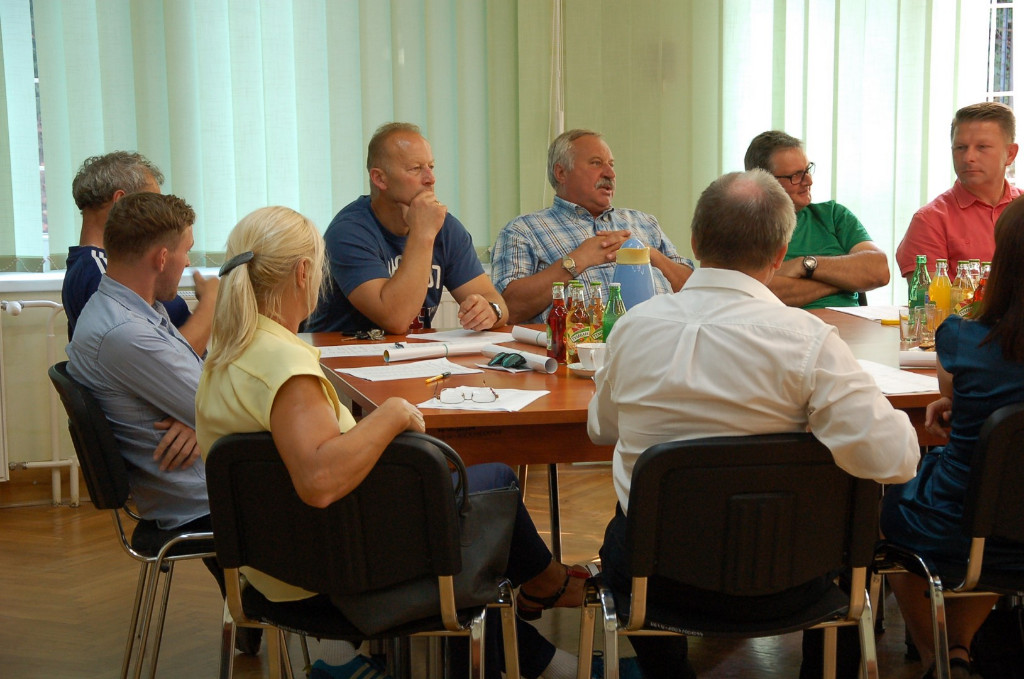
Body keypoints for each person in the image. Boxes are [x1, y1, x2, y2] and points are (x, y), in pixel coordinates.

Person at [196, 206, 593, 679]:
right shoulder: (284, 367)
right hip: (331, 571)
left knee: (462, 514)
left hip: (273, 565)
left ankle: (544, 642)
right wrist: (392, 415)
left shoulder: (228, 355)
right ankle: (553, 636)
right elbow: (320, 479)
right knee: (489, 495)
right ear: (303, 273)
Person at [587, 169, 920, 679]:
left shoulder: (633, 328)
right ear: (780, 252)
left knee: (628, 520)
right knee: (851, 525)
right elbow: (894, 460)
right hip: (792, 576)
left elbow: (602, 430)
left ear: (695, 240)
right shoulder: (810, 341)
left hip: (659, 582)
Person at [64, 191, 261, 655]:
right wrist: (204, 414)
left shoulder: (130, 307)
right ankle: (352, 622)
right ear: (161, 257)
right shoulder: (125, 333)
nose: (189, 262)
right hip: (201, 495)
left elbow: (204, 394)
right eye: (187, 250)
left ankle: (254, 604)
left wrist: (197, 420)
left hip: (197, 476)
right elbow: (224, 406)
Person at [881, 196, 1024, 678]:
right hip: (1009, 521)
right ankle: (958, 649)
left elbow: (959, 389)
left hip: (963, 523)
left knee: (890, 503)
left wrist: (960, 404)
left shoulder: (963, 338)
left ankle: (940, 657)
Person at [304, 123, 507, 335]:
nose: (430, 179)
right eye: (416, 169)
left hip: (410, 351)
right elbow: (396, 320)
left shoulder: (446, 227)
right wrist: (422, 233)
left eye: (431, 167)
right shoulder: (348, 232)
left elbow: (495, 301)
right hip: (340, 351)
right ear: (379, 178)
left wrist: (491, 311)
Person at [491, 129, 694, 324]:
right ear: (561, 173)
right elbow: (508, 308)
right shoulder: (523, 230)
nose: (610, 173)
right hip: (581, 345)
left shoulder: (644, 223)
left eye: (611, 165)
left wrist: (648, 255)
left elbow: (697, 291)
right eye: (596, 163)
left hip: (663, 339)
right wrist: (577, 260)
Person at [63, 151, 217, 352]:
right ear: (121, 202)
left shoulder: (99, 265)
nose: (161, 212)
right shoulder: (100, 272)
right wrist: (210, 302)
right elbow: (167, 355)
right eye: (151, 203)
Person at [743, 131, 890, 308]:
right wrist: (844, 280)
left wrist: (805, 265)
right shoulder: (745, 227)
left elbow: (879, 270)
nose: (809, 181)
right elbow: (760, 294)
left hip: (852, 324)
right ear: (763, 181)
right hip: (787, 325)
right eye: (796, 175)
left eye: (807, 170)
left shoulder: (833, 215)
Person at [896, 102, 1021, 279]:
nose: (968, 157)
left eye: (982, 147)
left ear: (1010, 154)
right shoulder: (930, 220)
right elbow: (928, 295)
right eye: (960, 148)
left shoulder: (1020, 209)